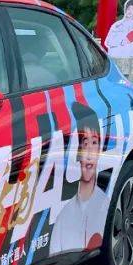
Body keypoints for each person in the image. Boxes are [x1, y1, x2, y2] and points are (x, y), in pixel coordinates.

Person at [50, 103, 110, 254]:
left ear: (100, 149)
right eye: (85, 144)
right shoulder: (63, 215)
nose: (89, 153)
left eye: (94, 143)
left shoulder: (107, 205)